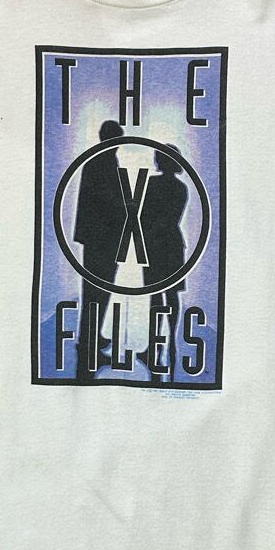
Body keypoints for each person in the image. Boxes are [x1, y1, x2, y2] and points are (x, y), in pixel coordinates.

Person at [72, 120, 125, 380]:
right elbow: (107, 201)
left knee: (96, 292)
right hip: (103, 239)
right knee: (98, 292)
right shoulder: (103, 162)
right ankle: (88, 344)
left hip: (96, 238)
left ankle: (91, 337)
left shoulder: (97, 159)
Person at [138, 144, 189, 379]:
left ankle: (154, 345)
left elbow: (144, 215)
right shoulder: (181, 188)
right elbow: (170, 218)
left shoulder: (152, 184)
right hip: (172, 244)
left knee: (156, 296)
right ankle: (170, 342)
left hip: (155, 245)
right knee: (172, 295)